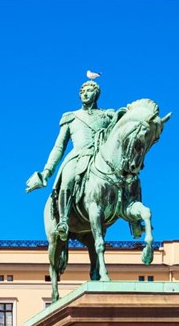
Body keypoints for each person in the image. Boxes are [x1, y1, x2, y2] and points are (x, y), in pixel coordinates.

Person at [26, 79, 122, 239]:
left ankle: (133, 220)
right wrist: (47, 171)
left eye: (89, 90)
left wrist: (118, 116)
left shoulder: (106, 115)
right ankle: (63, 221)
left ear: (96, 94)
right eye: (82, 91)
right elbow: (59, 147)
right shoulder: (71, 117)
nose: (85, 93)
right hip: (78, 156)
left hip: (101, 158)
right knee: (68, 178)